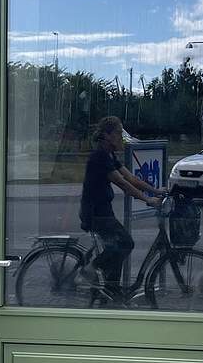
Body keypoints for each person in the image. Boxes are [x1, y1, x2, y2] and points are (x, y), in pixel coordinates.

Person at [79, 116, 165, 289]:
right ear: (107, 135)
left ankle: (112, 291)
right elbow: (123, 183)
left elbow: (131, 178)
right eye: (118, 133)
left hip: (103, 211)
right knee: (125, 243)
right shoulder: (99, 157)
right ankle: (90, 269)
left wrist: (156, 191)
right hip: (95, 213)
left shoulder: (109, 155)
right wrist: (147, 199)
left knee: (118, 247)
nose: (121, 137)